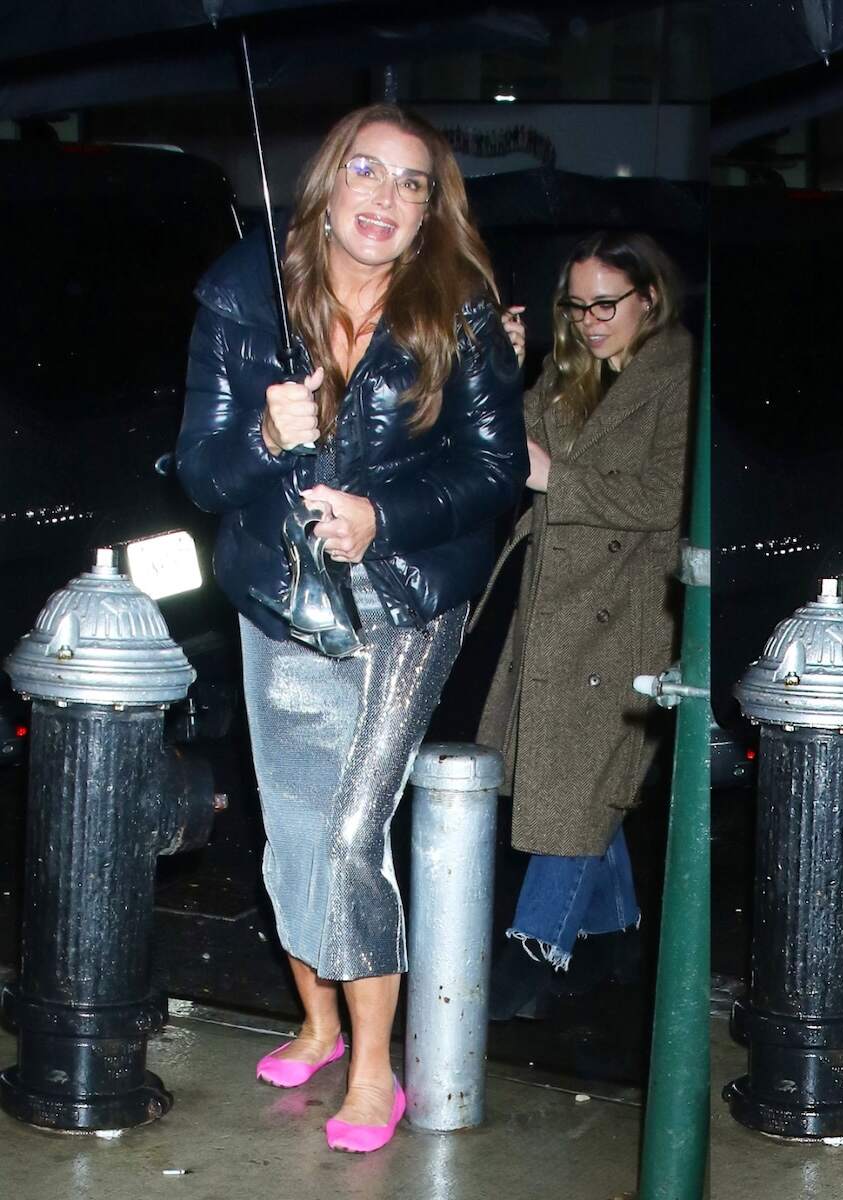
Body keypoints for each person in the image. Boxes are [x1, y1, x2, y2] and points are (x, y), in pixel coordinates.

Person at [177, 104, 526, 1152]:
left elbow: (495, 474)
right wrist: (262, 435)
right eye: (366, 173)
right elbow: (200, 472)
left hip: (406, 595)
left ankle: (378, 1069)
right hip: (277, 593)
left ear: (430, 212)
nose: (384, 198)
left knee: (346, 831)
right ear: (328, 184)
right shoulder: (244, 296)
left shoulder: (458, 311)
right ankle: (321, 1021)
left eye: (411, 184)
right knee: (291, 829)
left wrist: (383, 520)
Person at [477, 232, 691, 1019]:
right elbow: (503, 448)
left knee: (578, 782)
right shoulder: (569, 372)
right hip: (549, 599)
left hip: (625, 607)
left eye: (607, 304)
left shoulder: (680, 374)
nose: (591, 320)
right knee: (574, 779)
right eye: (577, 305)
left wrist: (554, 477)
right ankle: (613, 932)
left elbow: (665, 497)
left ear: (649, 298)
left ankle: (533, 952)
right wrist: (500, 364)